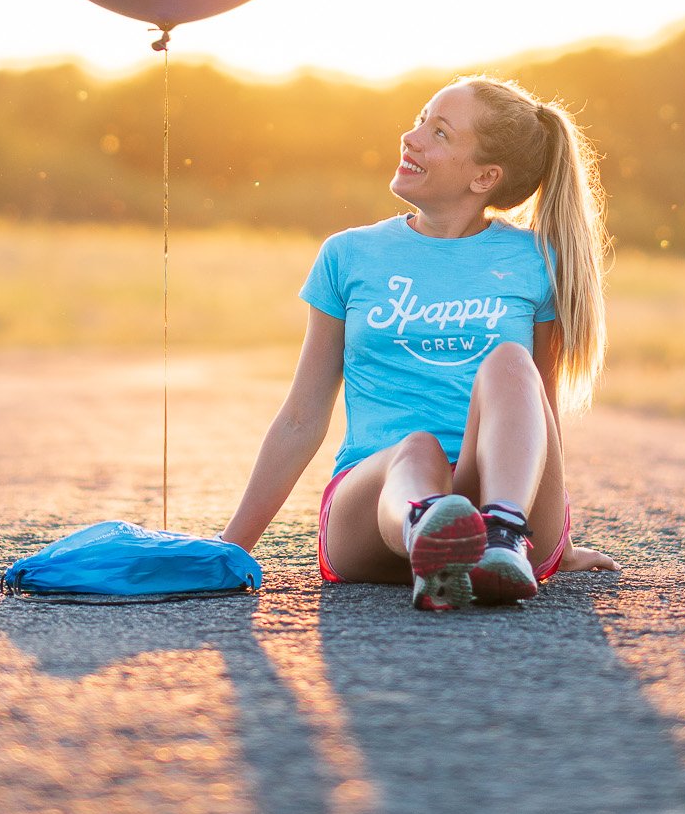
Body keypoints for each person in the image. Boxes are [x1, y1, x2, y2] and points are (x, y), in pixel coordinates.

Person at [220, 76, 620, 610]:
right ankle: (431, 533)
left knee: (511, 364)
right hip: (374, 504)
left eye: (439, 132)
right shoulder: (348, 256)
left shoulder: (534, 261)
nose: (411, 138)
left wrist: (559, 539)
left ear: (484, 177)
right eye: (419, 119)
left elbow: (539, 409)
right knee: (418, 447)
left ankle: (499, 536)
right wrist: (230, 548)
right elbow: (301, 416)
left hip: (506, 502)